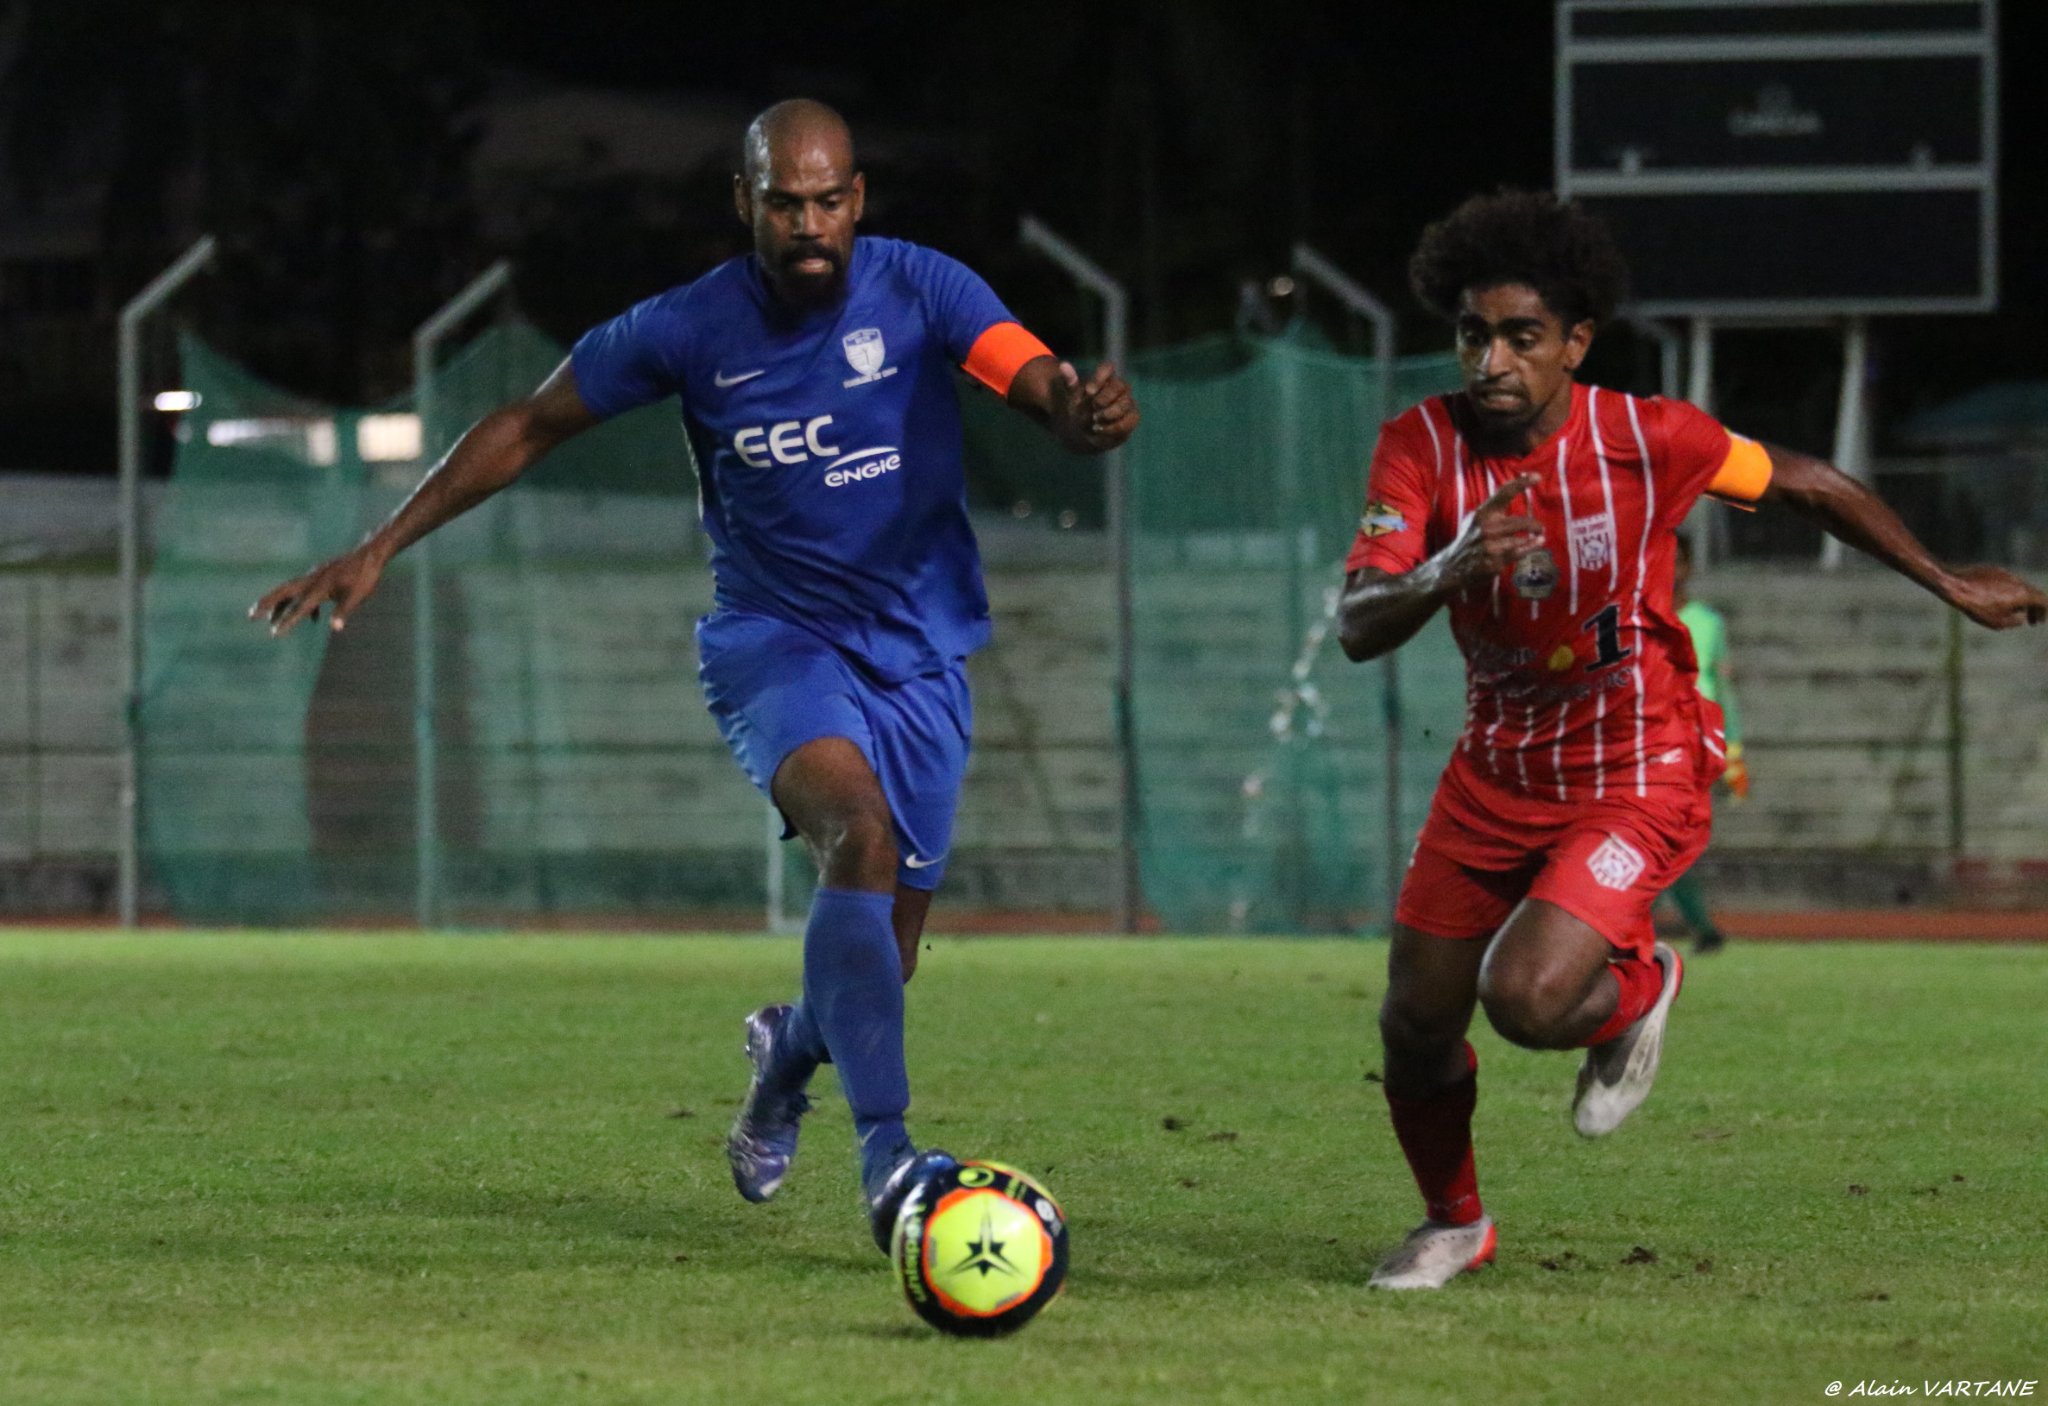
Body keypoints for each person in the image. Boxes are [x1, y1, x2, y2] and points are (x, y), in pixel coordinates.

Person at [252, 99, 1139, 1250]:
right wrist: (379, 542)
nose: (809, 224)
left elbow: (1030, 378)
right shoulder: (686, 328)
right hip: (774, 642)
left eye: (828, 201)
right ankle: (888, 1159)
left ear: (856, 200)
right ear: (746, 202)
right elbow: (525, 424)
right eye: (785, 203)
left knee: (886, 954)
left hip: (920, 652)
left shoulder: (924, 286)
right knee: (855, 839)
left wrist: (1077, 414)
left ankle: (787, 1052)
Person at [1335, 189, 2043, 1291]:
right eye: (1472, 332)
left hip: (1634, 768)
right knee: (1413, 1021)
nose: (1489, 359)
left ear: (1574, 342)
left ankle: (1639, 985)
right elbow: (1355, 623)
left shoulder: (1645, 435)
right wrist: (1444, 566)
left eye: (1521, 335)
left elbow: (1802, 481)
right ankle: (1453, 1222)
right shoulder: (1418, 445)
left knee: (1524, 999)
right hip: (1492, 772)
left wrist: (1948, 583)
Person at [1665, 532, 1745, 954]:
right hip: (1650, 739)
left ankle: (1699, 925)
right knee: (1665, 839)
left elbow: (1723, 688)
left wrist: (1734, 750)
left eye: (1678, 560)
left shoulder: (1708, 622)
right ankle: (1700, 925)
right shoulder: (1638, 614)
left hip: (1698, 746)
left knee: (1671, 838)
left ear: (1690, 568)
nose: (1670, 569)